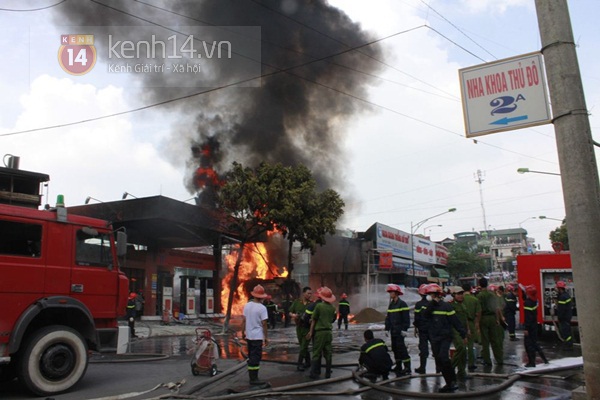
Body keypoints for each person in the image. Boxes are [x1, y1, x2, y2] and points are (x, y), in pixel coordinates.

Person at [424, 284, 467, 393]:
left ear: (438, 295)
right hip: (434, 337)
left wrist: (463, 334)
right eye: (429, 294)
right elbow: (424, 316)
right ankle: (450, 381)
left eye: (431, 294)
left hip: (445, 337)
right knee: (439, 360)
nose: (429, 296)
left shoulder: (446, 306)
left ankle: (451, 381)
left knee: (444, 358)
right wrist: (432, 304)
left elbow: (455, 321)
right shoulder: (429, 306)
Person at [306, 286, 337, 379]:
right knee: (328, 352)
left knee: (316, 352)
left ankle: (313, 373)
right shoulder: (332, 308)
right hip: (328, 333)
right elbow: (332, 319)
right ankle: (328, 373)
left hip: (320, 332)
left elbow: (314, 320)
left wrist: (310, 332)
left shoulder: (319, 306)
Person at [242, 284, 269, 385]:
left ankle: (251, 377)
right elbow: (264, 324)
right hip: (257, 337)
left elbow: (244, 320)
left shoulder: (247, 305)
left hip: (249, 336)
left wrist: (243, 332)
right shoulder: (262, 308)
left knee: (251, 356)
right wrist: (266, 337)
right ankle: (254, 379)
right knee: (256, 357)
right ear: (261, 297)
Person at [384, 283, 411, 376]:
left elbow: (406, 318)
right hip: (393, 331)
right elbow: (388, 317)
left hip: (399, 331)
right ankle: (398, 365)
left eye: (391, 292)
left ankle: (407, 367)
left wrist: (404, 329)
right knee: (395, 348)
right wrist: (386, 328)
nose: (390, 294)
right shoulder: (391, 305)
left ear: (396, 293)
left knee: (402, 349)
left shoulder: (402, 304)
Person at [477, 278, 504, 366]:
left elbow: (479, 310)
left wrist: (477, 322)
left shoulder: (480, 296)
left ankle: (487, 361)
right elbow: (496, 308)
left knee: (485, 340)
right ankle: (499, 359)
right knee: (495, 339)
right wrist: (497, 319)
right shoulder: (492, 295)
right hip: (492, 317)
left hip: (484, 318)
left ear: (480, 284)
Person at [520, 284, 548, 367]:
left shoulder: (528, 303)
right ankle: (545, 360)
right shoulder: (534, 300)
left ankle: (531, 363)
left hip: (530, 326)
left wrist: (526, 328)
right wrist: (523, 291)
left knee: (528, 344)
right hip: (534, 325)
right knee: (534, 343)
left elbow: (528, 317)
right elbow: (525, 298)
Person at [289, 286, 313, 371]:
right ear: (303, 293)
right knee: (302, 345)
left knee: (303, 346)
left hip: (307, 328)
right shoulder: (297, 302)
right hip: (299, 327)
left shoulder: (311, 304)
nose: (309, 295)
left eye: (310, 293)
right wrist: (293, 315)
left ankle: (299, 364)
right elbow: (290, 312)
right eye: (308, 293)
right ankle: (308, 362)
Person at [448, 286, 469, 381]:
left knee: (464, 351)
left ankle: (461, 372)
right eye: (458, 294)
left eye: (461, 294)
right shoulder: (451, 305)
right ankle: (450, 368)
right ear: (453, 295)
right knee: (460, 347)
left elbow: (465, 318)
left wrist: (467, 330)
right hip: (455, 330)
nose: (460, 296)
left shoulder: (463, 305)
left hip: (462, 330)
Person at [462, 283, 481, 372]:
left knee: (461, 345)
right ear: (470, 289)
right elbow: (478, 313)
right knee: (470, 344)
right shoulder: (474, 299)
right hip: (471, 322)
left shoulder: (460, 299)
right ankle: (471, 364)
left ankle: (461, 364)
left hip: (461, 324)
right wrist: (477, 324)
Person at [413, 283, 432, 374]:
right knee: (436, 348)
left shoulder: (419, 304)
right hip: (432, 330)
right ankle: (439, 368)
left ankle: (422, 368)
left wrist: (416, 328)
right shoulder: (432, 304)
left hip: (423, 329)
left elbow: (417, 318)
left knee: (423, 348)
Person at [555, 281, 574, 350]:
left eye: (557, 288)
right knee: (567, 330)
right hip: (568, 316)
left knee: (565, 332)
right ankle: (569, 343)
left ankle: (568, 345)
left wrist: (559, 318)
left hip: (564, 317)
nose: (556, 289)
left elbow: (561, 309)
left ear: (560, 288)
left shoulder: (562, 297)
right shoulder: (566, 295)